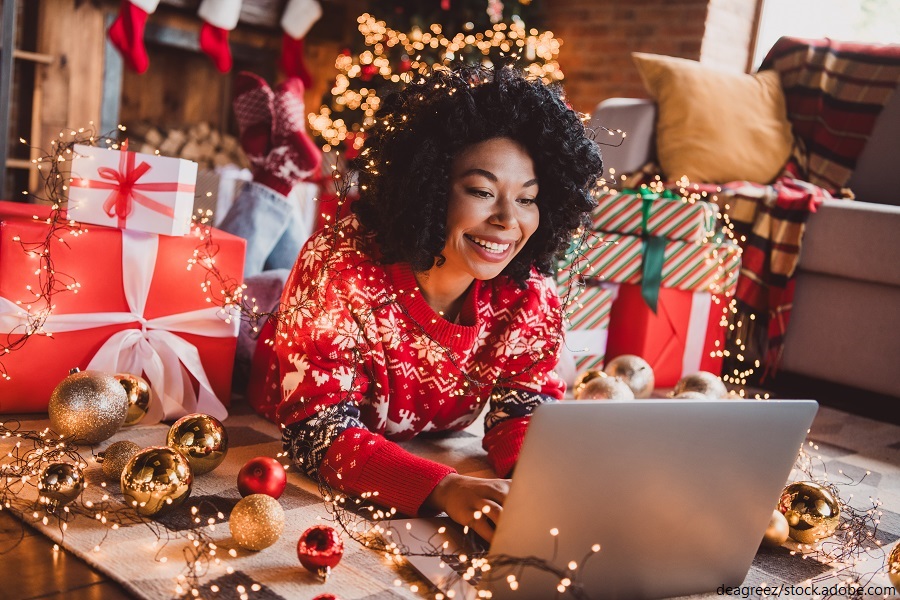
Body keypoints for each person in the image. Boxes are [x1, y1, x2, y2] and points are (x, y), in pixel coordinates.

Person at [240, 65, 602, 542]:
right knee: (238, 267)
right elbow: (317, 432)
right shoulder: (340, 266)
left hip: (317, 300)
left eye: (528, 199)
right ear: (429, 186)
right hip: (269, 332)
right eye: (481, 191)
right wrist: (446, 488)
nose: (507, 220)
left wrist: (537, 482)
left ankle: (279, 160)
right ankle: (272, 176)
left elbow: (520, 408)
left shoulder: (528, 294)